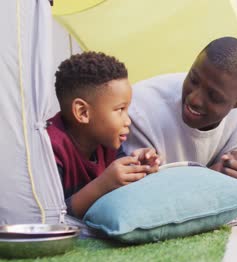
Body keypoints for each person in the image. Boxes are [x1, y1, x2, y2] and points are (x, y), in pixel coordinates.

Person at [124, 37, 237, 184]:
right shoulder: (140, 110)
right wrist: (213, 175)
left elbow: (236, 169)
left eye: (213, 96)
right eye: (193, 80)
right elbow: (146, 191)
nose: (194, 99)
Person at [47, 51, 160, 219]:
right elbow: (50, 217)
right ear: (83, 112)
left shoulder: (106, 142)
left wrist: (138, 169)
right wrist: (103, 185)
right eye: (120, 109)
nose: (128, 121)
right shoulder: (49, 149)